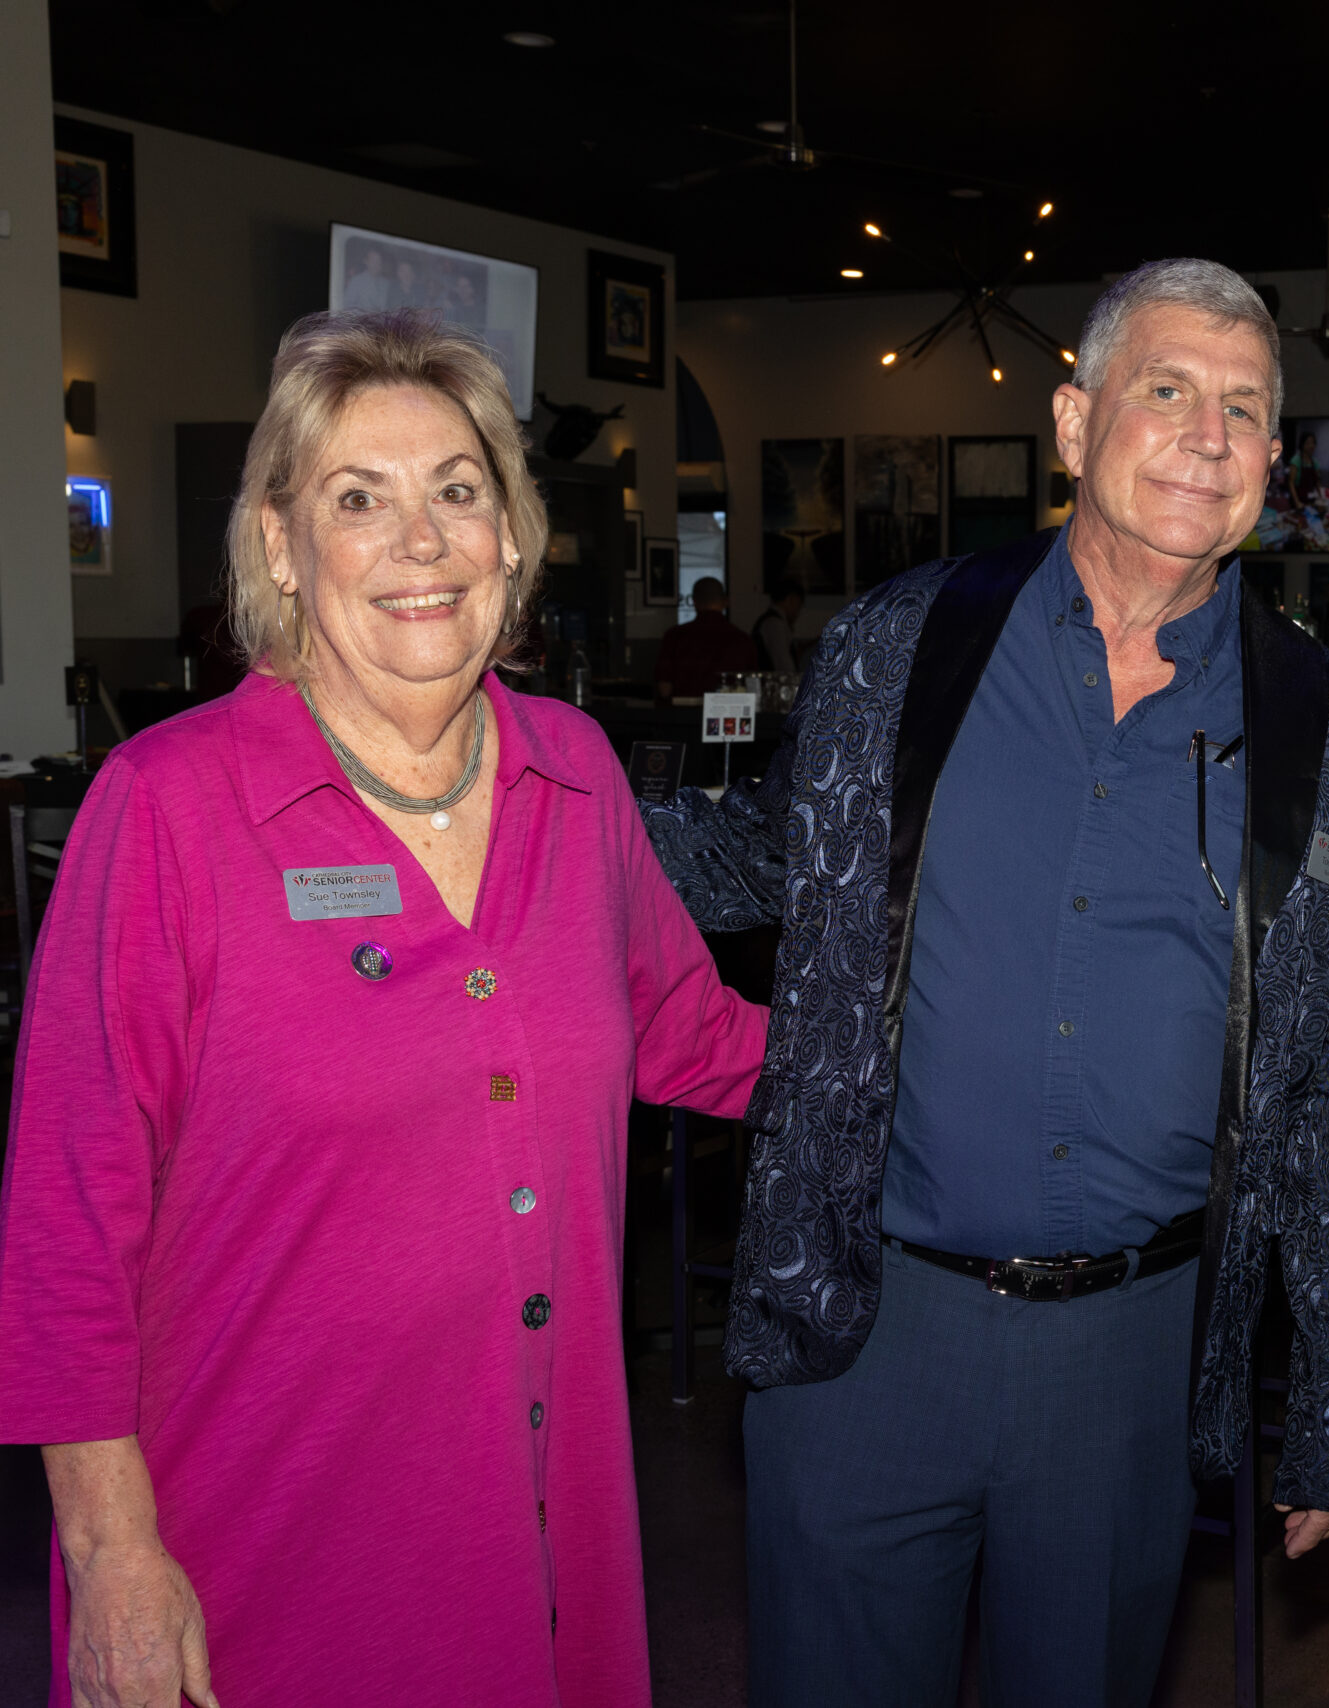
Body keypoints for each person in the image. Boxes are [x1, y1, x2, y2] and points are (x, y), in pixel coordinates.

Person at [641, 259, 1329, 1707]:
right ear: (1072, 421)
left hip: (1132, 1362)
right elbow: (762, 856)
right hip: (867, 1332)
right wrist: (515, 801)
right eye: (1166, 390)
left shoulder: (1326, 723)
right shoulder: (899, 642)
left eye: (1246, 409)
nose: (1208, 436)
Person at [0, 308, 768, 1706]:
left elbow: (692, 1035)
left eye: (458, 492)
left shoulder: (575, 772)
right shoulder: (168, 807)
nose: (421, 541)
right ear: (282, 548)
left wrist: (939, 1054)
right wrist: (109, 1553)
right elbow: (67, 1214)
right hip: (266, 1530)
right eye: (359, 499)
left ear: (511, 539)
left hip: (542, 1507)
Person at [654, 575, 760, 698]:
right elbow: (753, 688)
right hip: (729, 709)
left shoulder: (674, 636)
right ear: (725, 602)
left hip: (683, 709)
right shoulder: (742, 640)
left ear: (693, 601)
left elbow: (664, 688)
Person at [751, 576, 804, 676]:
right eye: (798, 605)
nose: (798, 612)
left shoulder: (772, 622)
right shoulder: (774, 624)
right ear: (790, 599)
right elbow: (783, 664)